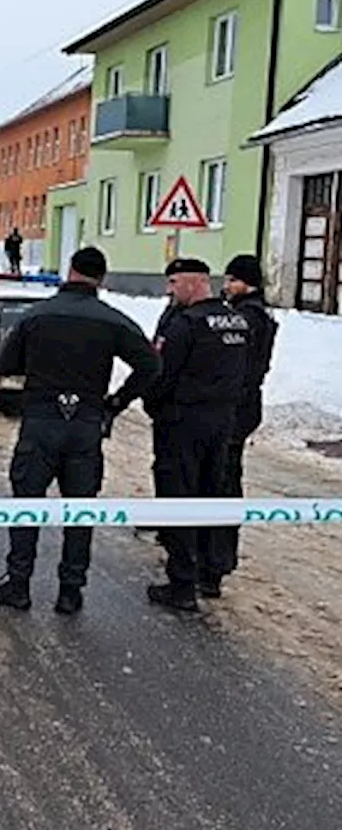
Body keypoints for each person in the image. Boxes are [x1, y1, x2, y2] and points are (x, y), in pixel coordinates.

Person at [0, 247, 160, 613]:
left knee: (27, 506)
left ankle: (18, 584)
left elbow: (4, 361)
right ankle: (70, 590)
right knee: (80, 510)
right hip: (85, 423)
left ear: (70, 271)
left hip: (41, 419)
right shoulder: (113, 320)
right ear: (102, 277)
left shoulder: (37, 315)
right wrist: (116, 402)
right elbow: (150, 365)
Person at [142, 258, 249, 611]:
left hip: (182, 423)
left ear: (193, 282)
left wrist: (152, 405)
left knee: (178, 497)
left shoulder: (185, 325)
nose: (169, 290)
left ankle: (182, 584)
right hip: (221, 422)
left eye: (174, 283)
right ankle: (208, 572)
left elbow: (162, 374)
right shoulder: (236, 320)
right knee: (209, 495)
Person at [216, 254, 279, 575]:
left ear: (246, 282)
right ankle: (218, 557)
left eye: (231, 280)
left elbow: (241, 366)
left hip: (236, 407)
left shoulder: (247, 318)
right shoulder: (255, 314)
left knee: (224, 480)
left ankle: (219, 560)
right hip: (244, 404)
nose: (226, 286)